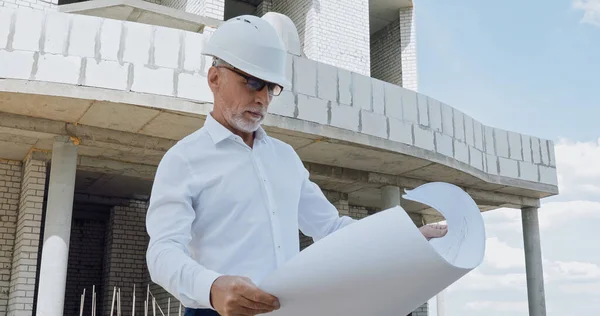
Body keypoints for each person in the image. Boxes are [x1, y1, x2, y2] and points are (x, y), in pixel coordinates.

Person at [145, 14, 448, 316]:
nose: (262, 98)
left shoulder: (285, 157)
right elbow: (162, 252)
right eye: (252, 82)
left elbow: (330, 228)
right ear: (215, 78)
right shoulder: (183, 160)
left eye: (271, 87)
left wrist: (403, 239)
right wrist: (210, 288)